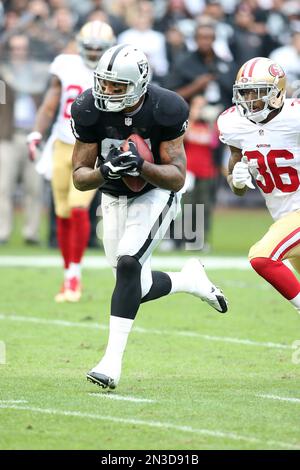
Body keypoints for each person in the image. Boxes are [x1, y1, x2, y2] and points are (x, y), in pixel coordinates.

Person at [71, 44, 228, 390]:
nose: (107, 92)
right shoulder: (86, 107)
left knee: (128, 264)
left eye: (117, 86)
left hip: (157, 193)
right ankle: (189, 280)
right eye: (104, 83)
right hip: (113, 196)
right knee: (133, 286)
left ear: (139, 85)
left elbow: (177, 175)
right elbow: (80, 176)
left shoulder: (166, 107)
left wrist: (141, 166)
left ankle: (110, 363)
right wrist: (106, 172)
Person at [27, 20, 116, 302]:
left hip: (91, 148)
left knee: (79, 211)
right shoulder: (64, 64)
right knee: (62, 213)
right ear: (79, 45)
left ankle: (75, 277)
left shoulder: (115, 70)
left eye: (99, 49)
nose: (92, 53)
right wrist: (36, 132)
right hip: (62, 145)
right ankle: (68, 275)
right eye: (89, 47)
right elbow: (51, 102)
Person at [218, 56, 300, 315]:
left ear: (277, 92)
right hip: (283, 217)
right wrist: (237, 180)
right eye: (244, 92)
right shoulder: (232, 123)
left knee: (262, 256)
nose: (249, 99)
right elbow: (236, 183)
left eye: (257, 92)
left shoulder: (295, 117)